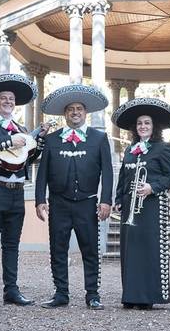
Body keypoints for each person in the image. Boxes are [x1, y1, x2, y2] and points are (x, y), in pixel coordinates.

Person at [0, 74, 49, 308]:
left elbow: (26, 158)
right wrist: (8, 142)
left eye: (11, 99)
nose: (8, 101)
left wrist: (39, 142)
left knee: (12, 244)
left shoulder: (22, 128)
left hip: (16, 191)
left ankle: (11, 291)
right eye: (3, 98)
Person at [35, 84, 113, 310]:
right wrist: (40, 199)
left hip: (87, 204)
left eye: (79, 109)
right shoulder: (52, 140)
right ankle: (61, 293)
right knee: (57, 249)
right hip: (58, 204)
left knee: (90, 250)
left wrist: (105, 200)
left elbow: (107, 172)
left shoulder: (99, 138)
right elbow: (43, 173)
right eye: (70, 109)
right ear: (65, 114)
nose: (75, 112)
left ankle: (93, 294)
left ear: (85, 113)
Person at [111, 98, 170, 310]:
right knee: (130, 251)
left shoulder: (163, 148)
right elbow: (123, 177)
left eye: (147, 123)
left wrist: (152, 187)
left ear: (154, 127)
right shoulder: (131, 150)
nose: (143, 126)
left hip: (151, 207)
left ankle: (148, 296)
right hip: (129, 206)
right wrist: (118, 199)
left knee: (149, 250)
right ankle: (131, 295)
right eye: (140, 123)